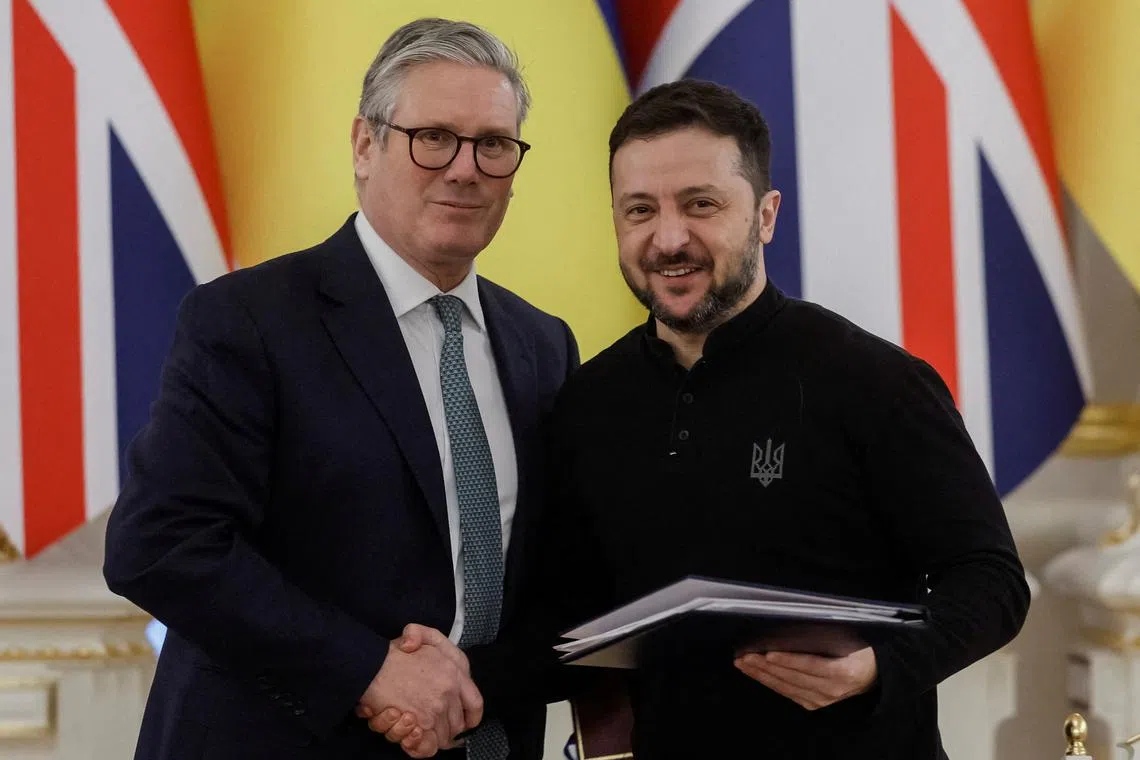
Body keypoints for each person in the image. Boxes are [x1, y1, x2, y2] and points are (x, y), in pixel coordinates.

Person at [102, 17, 578, 760]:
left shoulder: (543, 344)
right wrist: (373, 672)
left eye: (493, 144)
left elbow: (552, 577)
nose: (464, 168)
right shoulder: (250, 320)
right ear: (365, 144)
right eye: (433, 137)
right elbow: (158, 545)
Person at [539, 79, 1029, 758]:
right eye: (640, 210)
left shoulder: (877, 382)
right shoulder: (586, 403)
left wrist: (879, 665)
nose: (669, 237)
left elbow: (992, 582)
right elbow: (564, 618)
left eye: (701, 205)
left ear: (765, 215)